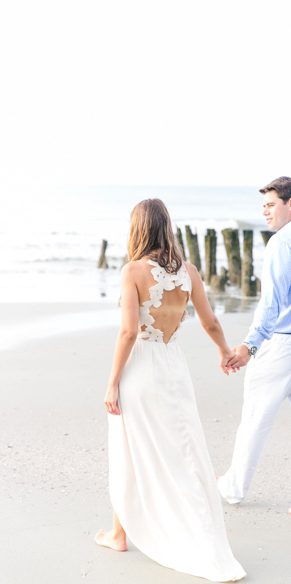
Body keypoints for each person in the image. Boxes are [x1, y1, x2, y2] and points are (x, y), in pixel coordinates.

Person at [95, 198, 246, 582]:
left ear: (138, 229)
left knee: (128, 448)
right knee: (186, 450)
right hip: (174, 367)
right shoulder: (189, 272)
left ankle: (119, 534)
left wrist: (112, 381)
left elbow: (129, 332)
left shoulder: (132, 271)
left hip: (141, 368)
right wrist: (225, 352)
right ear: (167, 226)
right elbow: (209, 321)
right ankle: (176, 532)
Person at [218, 177, 291, 524]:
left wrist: (250, 345)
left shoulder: (282, 243)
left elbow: (273, 301)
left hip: (285, 344)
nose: (266, 213)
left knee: (255, 419)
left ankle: (234, 489)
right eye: (264, 207)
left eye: (271, 205)